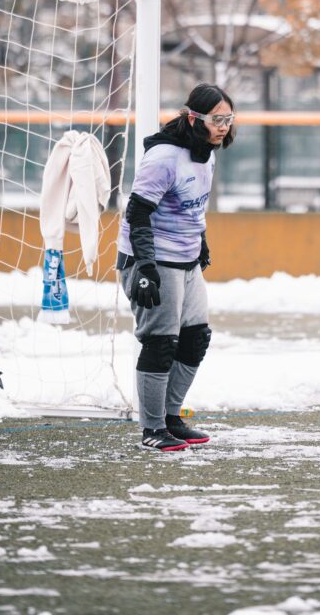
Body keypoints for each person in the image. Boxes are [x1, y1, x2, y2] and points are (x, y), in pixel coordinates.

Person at [117, 82, 236, 451]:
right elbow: (137, 213)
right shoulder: (164, 158)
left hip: (186, 260)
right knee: (160, 342)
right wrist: (145, 268)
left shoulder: (206, 154)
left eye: (229, 119)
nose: (224, 127)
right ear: (194, 118)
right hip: (152, 261)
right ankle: (152, 429)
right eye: (217, 120)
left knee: (196, 337)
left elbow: (192, 207)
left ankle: (170, 419)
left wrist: (201, 242)